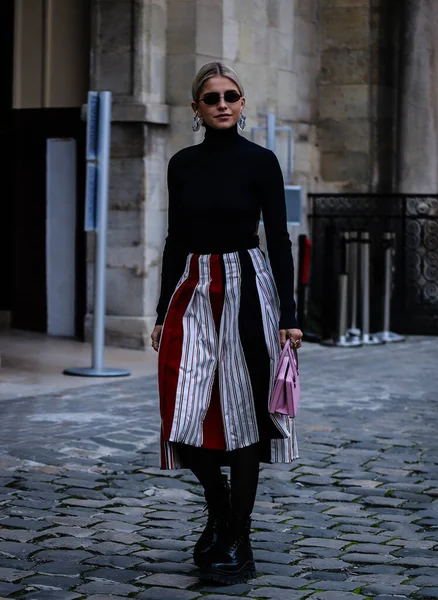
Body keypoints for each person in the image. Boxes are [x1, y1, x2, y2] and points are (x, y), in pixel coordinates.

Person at [150, 61, 303, 585]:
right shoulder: (182, 164)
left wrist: (290, 314)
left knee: (243, 416)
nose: (221, 103)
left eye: (230, 95)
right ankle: (219, 510)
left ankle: (238, 538)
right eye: (211, 97)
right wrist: (159, 311)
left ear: (242, 104)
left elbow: (279, 240)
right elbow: (174, 240)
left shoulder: (261, 162)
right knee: (183, 413)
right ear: (196, 107)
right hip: (193, 288)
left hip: (247, 289)